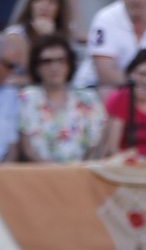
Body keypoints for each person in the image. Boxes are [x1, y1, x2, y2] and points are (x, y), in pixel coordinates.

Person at [17, 33, 106, 161]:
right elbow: (28, 150)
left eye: (61, 60)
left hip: (82, 175)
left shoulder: (88, 98)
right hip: (39, 175)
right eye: (46, 61)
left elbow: (97, 146)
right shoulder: (27, 97)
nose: (54, 67)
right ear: (36, 66)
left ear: (69, 64)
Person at [1, 0, 67, 84]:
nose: (44, 6)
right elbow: (37, 76)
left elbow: (64, 77)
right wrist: (47, 38)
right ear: (31, 3)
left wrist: (50, 37)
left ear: (60, 9)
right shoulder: (15, 35)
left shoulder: (64, 37)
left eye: (52, 2)